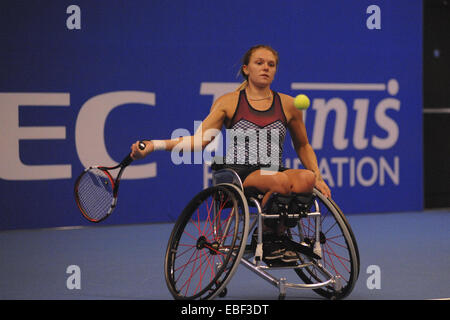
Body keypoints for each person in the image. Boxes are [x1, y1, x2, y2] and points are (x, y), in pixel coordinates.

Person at [130, 44, 331, 264]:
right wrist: (154, 145)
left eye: (271, 64)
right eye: (259, 63)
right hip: (241, 174)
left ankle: (277, 234)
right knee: (281, 181)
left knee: (306, 179)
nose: (266, 68)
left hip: (274, 170)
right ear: (246, 69)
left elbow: (303, 145)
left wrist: (318, 177)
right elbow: (199, 141)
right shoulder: (229, 102)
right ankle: (265, 236)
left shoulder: (289, 104)